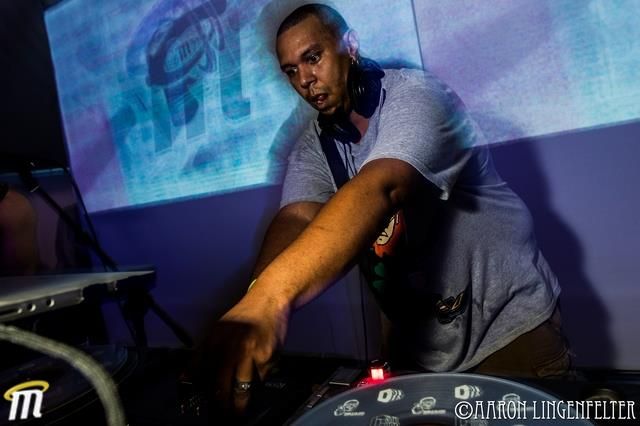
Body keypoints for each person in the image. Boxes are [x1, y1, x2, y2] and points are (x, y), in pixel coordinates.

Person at [205, 3, 570, 409]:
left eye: (313, 57)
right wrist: (253, 302)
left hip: (508, 337)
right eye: (291, 70)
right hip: (420, 356)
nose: (304, 79)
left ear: (350, 46)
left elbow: (384, 186)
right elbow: (296, 217)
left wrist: (273, 299)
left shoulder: (418, 97)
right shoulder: (313, 147)